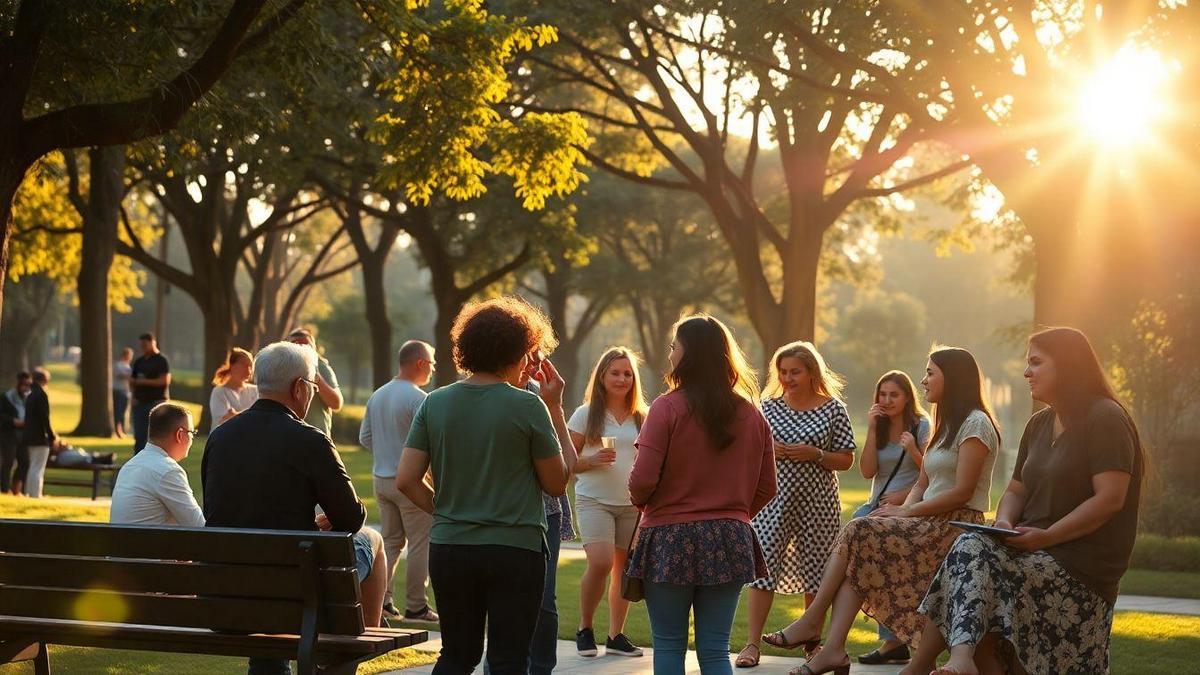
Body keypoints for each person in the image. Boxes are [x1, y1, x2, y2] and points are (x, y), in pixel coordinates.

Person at [910, 328, 1144, 675]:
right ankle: (957, 661)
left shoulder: (1105, 417)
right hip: (1033, 550)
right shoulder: (1039, 424)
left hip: (1080, 567)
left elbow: (1109, 500)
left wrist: (1046, 537)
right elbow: (1016, 490)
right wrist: (1004, 523)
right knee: (971, 544)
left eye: (1036, 362)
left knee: (975, 563)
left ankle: (932, 666)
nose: (1026, 372)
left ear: (1067, 366)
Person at [763, 346, 1000, 675]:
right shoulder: (946, 424)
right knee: (861, 535)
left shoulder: (976, 424)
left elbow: (961, 492)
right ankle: (831, 646)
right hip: (929, 521)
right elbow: (921, 483)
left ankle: (814, 622)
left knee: (858, 531)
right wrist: (900, 508)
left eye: (931, 373)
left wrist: (906, 514)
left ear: (953, 377)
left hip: (958, 528)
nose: (924, 380)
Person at [395, 296, 578, 675]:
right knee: (509, 660)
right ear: (516, 351)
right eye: (529, 353)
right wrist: (555, 407)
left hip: (451, 546)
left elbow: (406, 480)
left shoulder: (435, 402)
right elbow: (557, 483)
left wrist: (445, 510)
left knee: (456, 656)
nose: (531, 363)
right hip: (515, 549)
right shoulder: (528, 407)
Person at [202, 341, 383, 675]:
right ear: (299, 388)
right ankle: (356, 643)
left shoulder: (220, 437)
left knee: (275, 571)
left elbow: (223, 508)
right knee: (373, 540)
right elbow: (350, 518)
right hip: (292, 597)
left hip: (226, 599)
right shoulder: (311, 440)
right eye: (312, 386)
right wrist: (325, 522)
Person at [626, 315, 778, 675]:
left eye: (674, 347)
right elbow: (767, 487)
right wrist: (733, 511)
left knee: (668, 645)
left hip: (668, 536)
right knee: (714, 650)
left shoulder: (666, 407)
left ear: (690, 354)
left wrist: (647, 504)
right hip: (730, 536)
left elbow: (642, 479)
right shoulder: (752, 415)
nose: (670, 354)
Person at [738, 342, 856, 668]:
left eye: (795, 372)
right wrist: (769, 451)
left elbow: (846, 459)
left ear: (811, 372)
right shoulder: (768, 407)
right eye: (783, 372)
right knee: (763, 572)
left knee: (817, 571)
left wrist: (815, 454)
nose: (787, 378)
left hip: (818, 502)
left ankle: (812, 645)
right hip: (772, 500)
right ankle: (751, 645)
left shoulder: (833, 409)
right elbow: (748, 449)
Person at [569, 347, 649, 659]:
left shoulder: (644, 416)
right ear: (602, 376)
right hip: (594, 500)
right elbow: (567, 462)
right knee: (601, 562)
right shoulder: (585, 413)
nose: (622, 378)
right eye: (615, 372)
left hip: (632, 504)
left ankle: (616, 636)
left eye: (628, 373)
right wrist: (590, 460)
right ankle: (584, 628)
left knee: (624, 571)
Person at [850, 371, 932, 666]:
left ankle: (894, 642)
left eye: (893, 395)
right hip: (876, 507)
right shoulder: (879, 427)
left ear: (907, 397)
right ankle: (892, 642)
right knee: (865, 565)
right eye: (882, 395)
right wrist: (872, 430)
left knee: (886, 568)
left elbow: (932, 473)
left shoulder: (921, 426)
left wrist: (912, 449)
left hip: (908, 510)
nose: (886, 401)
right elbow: (867, 471)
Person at [359, 339, 439, 623]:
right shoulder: (419, 398)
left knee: (390, 542)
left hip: (381, 479)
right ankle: (416, 605)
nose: (432, 368)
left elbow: (364, 438)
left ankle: (383, 600)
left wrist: (387, 452)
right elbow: (430, 442)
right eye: (431, 362)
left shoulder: (378, 395)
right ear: (419, 363)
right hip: (411, 481)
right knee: (421, 542)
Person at [110, 402, 205, 527]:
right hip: (150, 545)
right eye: (191, 433)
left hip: (121, 544)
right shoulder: (168, 471)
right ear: (180, 435)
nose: (192, 439)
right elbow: (199, 526)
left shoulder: (130, 466)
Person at [287, 327, 343, 437]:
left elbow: (336, 403)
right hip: (288, 434)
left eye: (306, 345)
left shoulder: (322, 368)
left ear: (314, 348)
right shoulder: (280, 367)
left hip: (317, 436)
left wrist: (316, 378)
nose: (301, 349)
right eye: (295, 345)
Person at [130, 333, 171, 453]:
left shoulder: (161, 360)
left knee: (155, 436)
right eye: (141, 345)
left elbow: (164, 380)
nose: (142, 348)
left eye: (145, 344)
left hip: (156, 402)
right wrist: (133, 396)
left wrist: (143, 381)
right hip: (140, 403)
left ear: (153, 342)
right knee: (139, 435)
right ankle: (138, 461)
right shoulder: (139, 361)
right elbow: (132, 380)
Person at [209, 348, 259, 430]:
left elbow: (260, 418)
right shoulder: (219, 392)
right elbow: (223, 421)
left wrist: (235, 415)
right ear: (232, 365)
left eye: (250, 366)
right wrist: (250, 415)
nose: (248, 370)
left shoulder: (256, 391)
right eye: (243, 364)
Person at [0, 372, 31, 494]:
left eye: (28, 384)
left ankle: (16, 489)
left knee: (25, 462)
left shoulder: (29, 398)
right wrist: (13, 421)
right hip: (9, 435)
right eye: (23, 384)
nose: (25, 387)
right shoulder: (6, 398)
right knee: (8, 462)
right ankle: (4, 489)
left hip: (23, 435)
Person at [113, 348, 133, 438]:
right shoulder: (118, 365)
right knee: (118, 411)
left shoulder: (128, 366)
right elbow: (120, 375)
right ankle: (117, 429)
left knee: (124, 412)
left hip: (126, 392)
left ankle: (123, 430)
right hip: (118, 391)